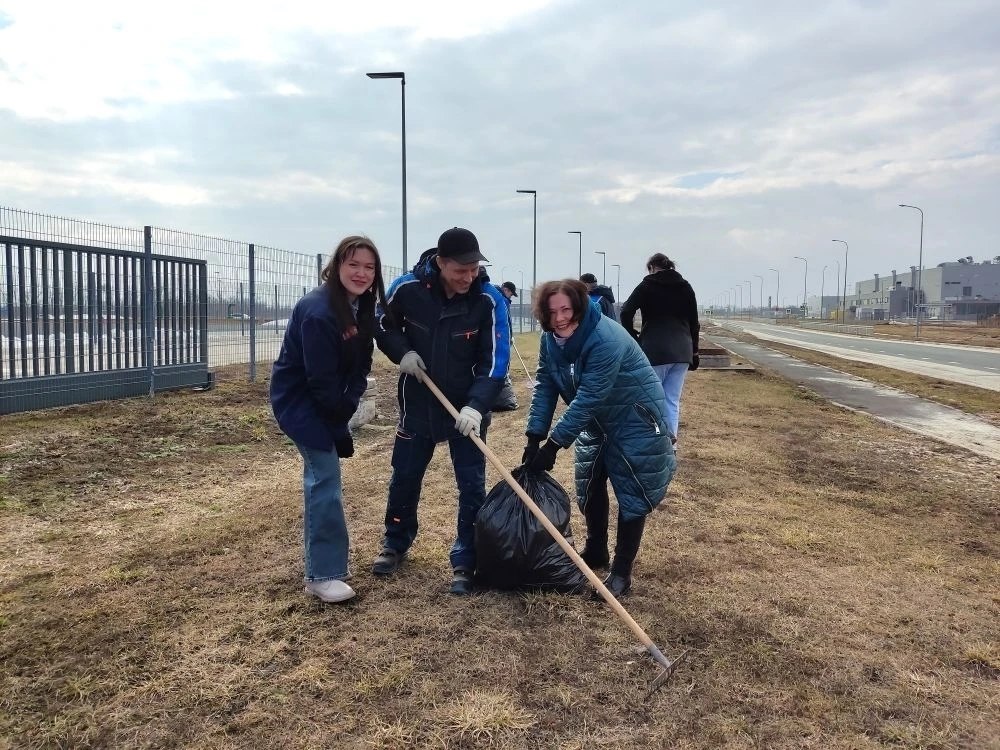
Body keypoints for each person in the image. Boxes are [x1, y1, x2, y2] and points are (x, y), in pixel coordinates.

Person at [372, 227, 511, 595]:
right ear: (441, 262)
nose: (469, 276)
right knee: (404, 476)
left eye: (474, 268)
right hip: (418, 406)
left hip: (466, 413)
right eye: (461, 269)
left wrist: (476, 406)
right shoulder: (407, 288)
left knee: (471, 487)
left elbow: (495, 363)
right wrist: (401, 352)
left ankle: (466, 560)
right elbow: (382, 323)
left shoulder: (488, 301)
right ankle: (395, 542)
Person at [522, 279, 675, 597]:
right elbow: (546, 385)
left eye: (565, 309)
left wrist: (554, 444)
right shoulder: (550, 340)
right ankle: (596, 551)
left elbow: (590, 396)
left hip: (635, 417)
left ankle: (621, 575)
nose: (560, 318)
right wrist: (534, 436)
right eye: (552, 312)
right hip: (598, 422)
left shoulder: (605, 336)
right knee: (590, 484)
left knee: (632, 494)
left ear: (578, 305)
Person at [269, 235, 387, 603]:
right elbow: (319, 384)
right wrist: (338, 429)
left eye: (369, 267)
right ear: (337, 266)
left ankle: (322, 569)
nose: (362, 273)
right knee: (324, 479)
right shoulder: (319, 312)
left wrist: (348, 406)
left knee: (325, 475)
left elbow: (361, 363)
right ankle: (323, 576)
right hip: (301, 404)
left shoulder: (362, 305)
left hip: (331, 400)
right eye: (353, 264)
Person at [619, 253, 700, 444]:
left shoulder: (647, 285)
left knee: (651, 398)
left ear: (652, 267)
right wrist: (694, 352)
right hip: (682, 351)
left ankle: (654, 443)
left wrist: (633, 336)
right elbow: (694, 323)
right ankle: (670, 444)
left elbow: (625, 311)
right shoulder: (686, 287)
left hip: (655, 350)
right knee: (672, 399)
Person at [493, 281, 519, 411]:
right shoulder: (501, 300)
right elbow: (504, 322)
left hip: (503, 337)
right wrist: (507, 336)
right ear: (506, 290)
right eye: (510, 293)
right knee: (501, 364)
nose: (510, 296)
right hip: (500, 338)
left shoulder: (500, 299)